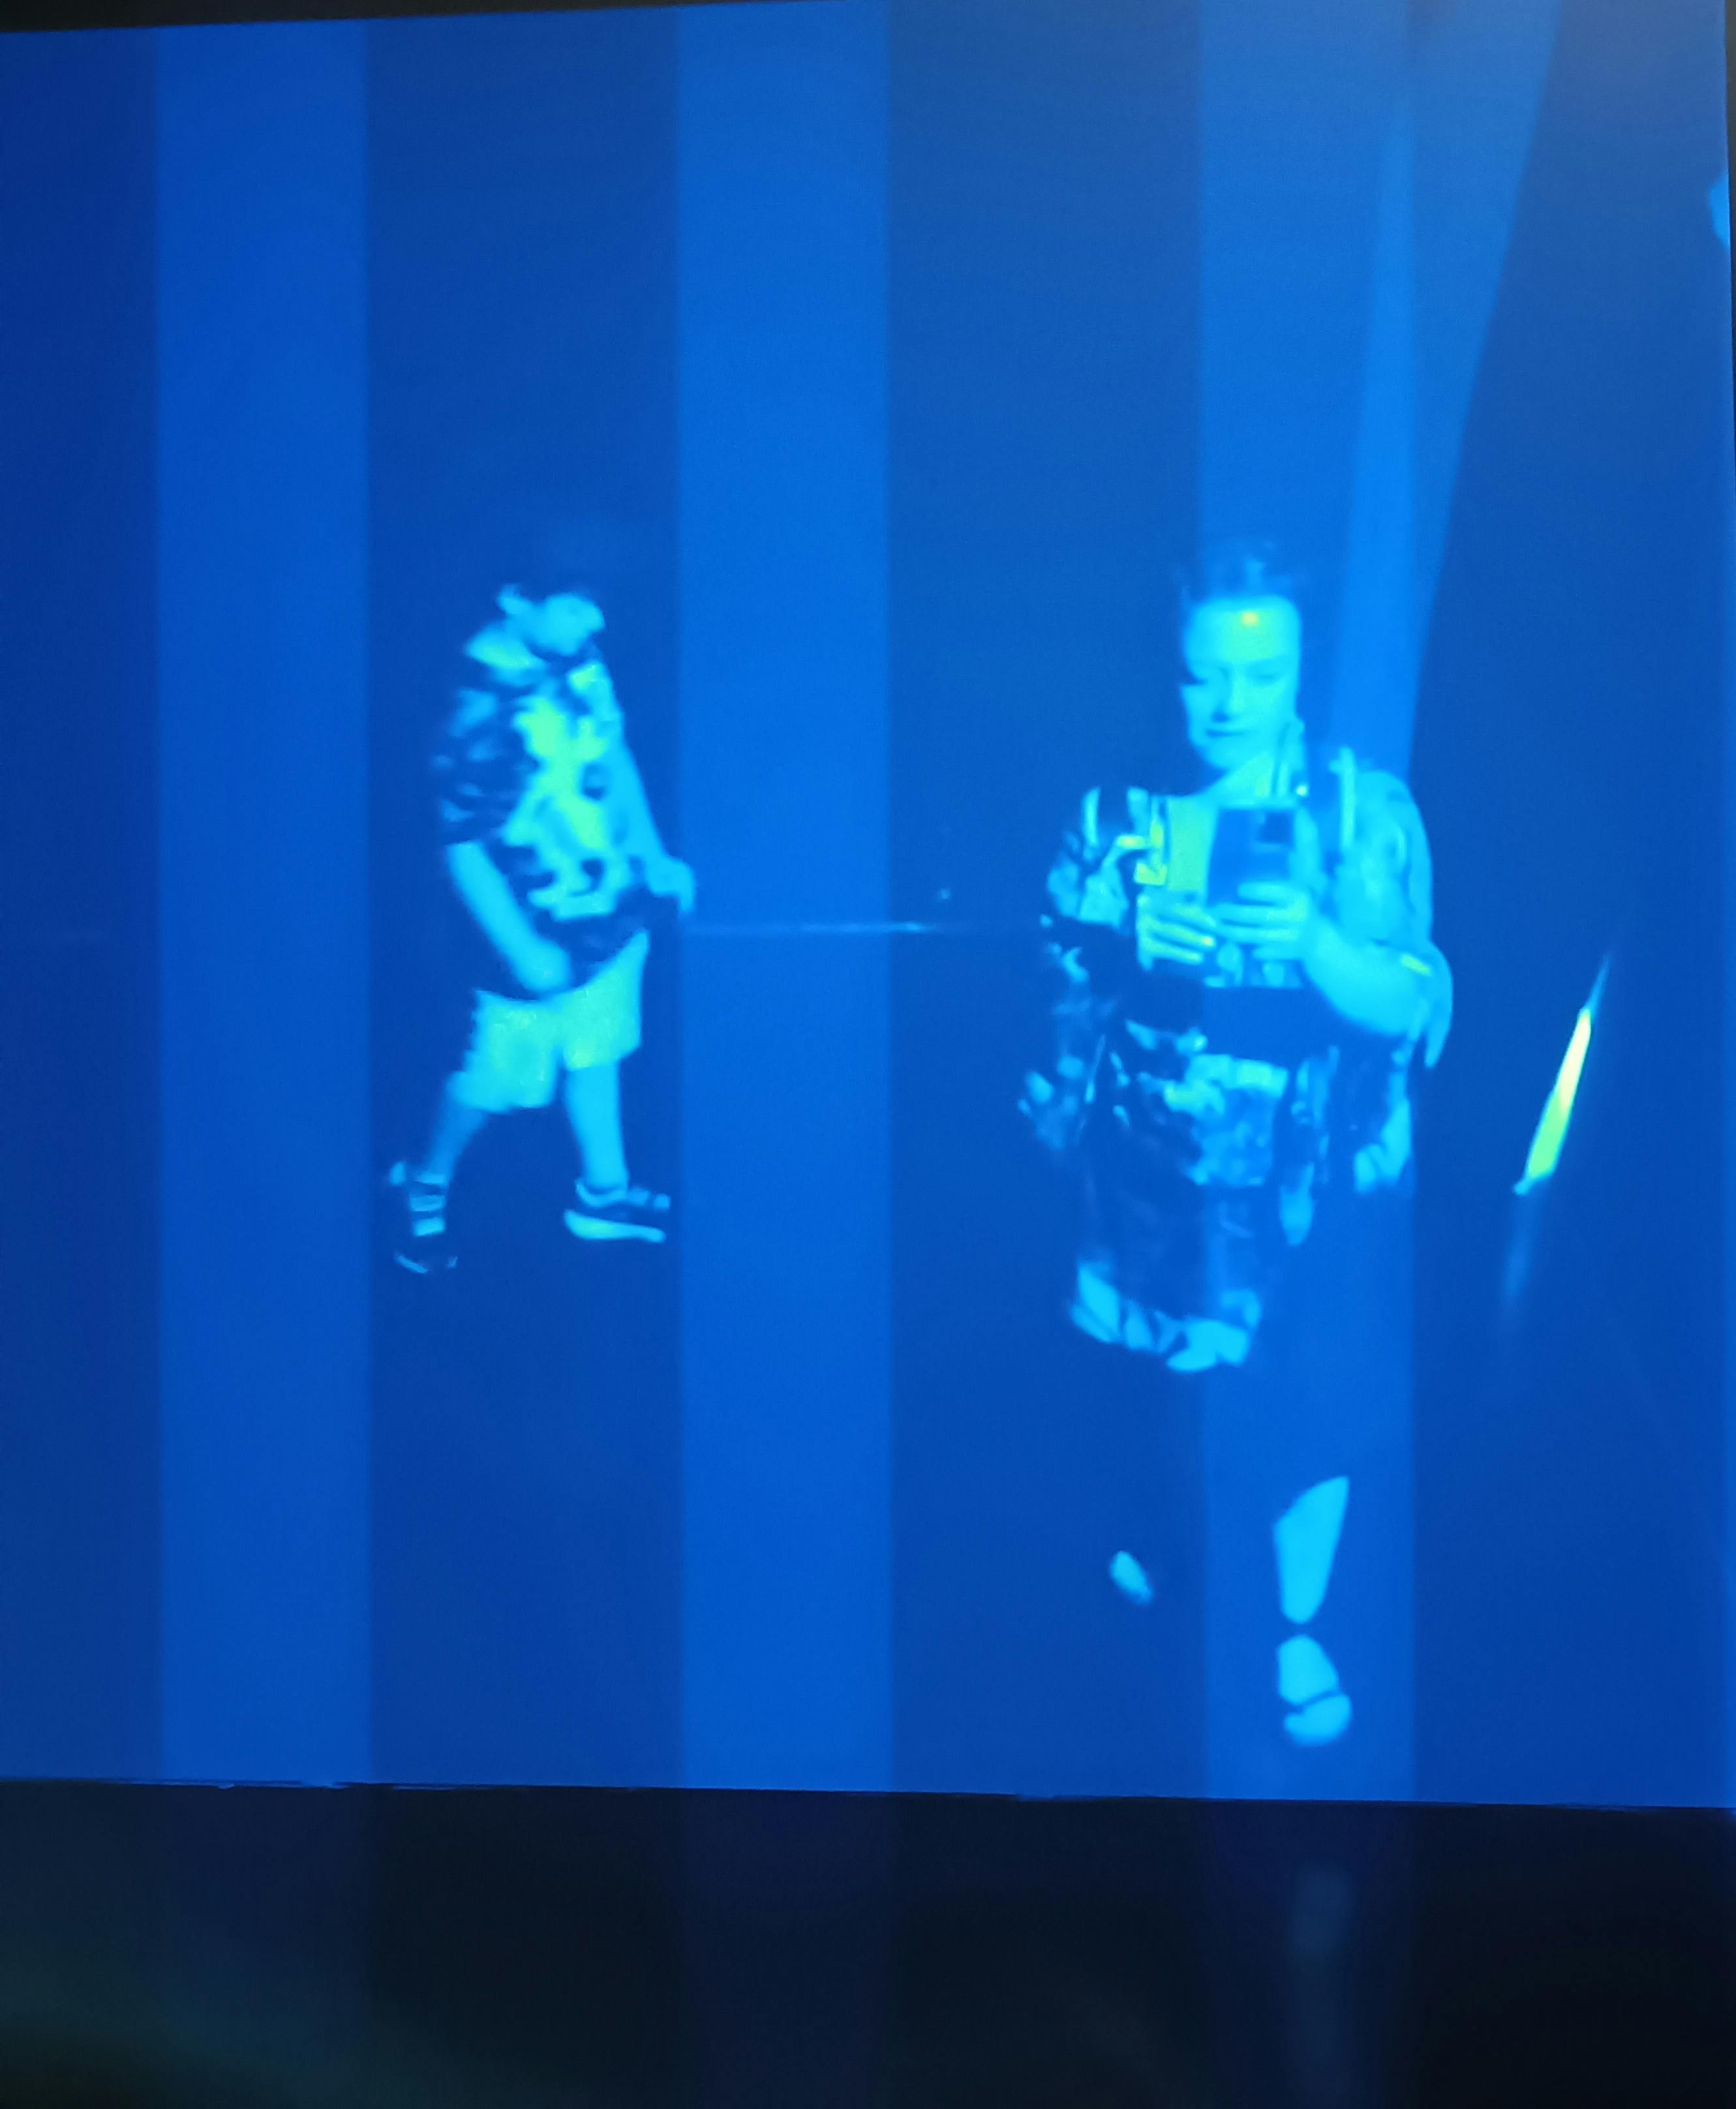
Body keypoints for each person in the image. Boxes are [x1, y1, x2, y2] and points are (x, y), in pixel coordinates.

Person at [1022, 543, 1450, 1746]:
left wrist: (1312, 940)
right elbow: (1053, 976)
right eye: (1202, 673)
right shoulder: (1117, 815)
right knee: (1172, 1384)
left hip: (1309, 1184)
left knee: (1313, 1405)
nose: (1229, 703)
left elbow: (1411, 1001)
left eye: (1260, 674)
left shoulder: (1354, 811)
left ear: (1300, 670)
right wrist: (1121, 938)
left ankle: (1295, 1624)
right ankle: (1171, 1544)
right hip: (1156, 1175)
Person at [389, 581, 694, 1272]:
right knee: (493, 1081)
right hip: (525, 936)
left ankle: (604, 1194)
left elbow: (611, 751)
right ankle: (424, 1182)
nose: (596, 619)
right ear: (515, 600)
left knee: (598, 1043)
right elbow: (463, 846)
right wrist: (520, 946)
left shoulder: (578, 656)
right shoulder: (473, 708)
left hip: (607, 905)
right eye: (573, 604)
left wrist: (649, 852)